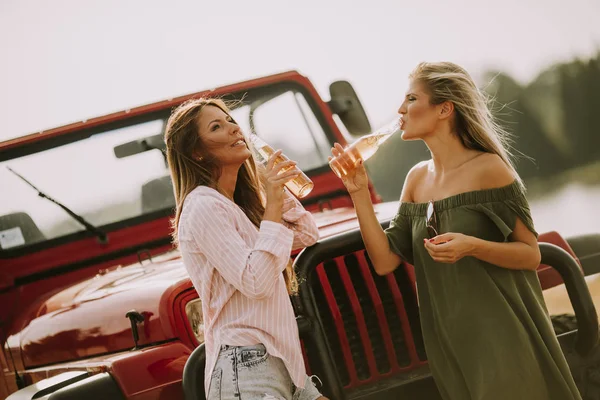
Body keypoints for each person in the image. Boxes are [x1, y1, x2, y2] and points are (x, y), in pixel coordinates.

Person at [330, 62, 581, 400]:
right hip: (448, 341)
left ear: (444, 109)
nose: (400, 109)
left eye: (411, 98)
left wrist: (473, 246)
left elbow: (530, 253)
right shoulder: (416, 179)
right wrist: (358, 192)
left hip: (502, 333)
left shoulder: (490, 169)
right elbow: (385, 262)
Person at [164, 98, 326, 400]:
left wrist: (271, 187)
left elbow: (306, 232)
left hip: (284, 364)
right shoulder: (203, 205)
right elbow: (256, 281)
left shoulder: (237, 205)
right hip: (244, 369)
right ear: (197, 152)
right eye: (217, 126)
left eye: (230, 120)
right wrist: (274, 202)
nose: (233, 128)